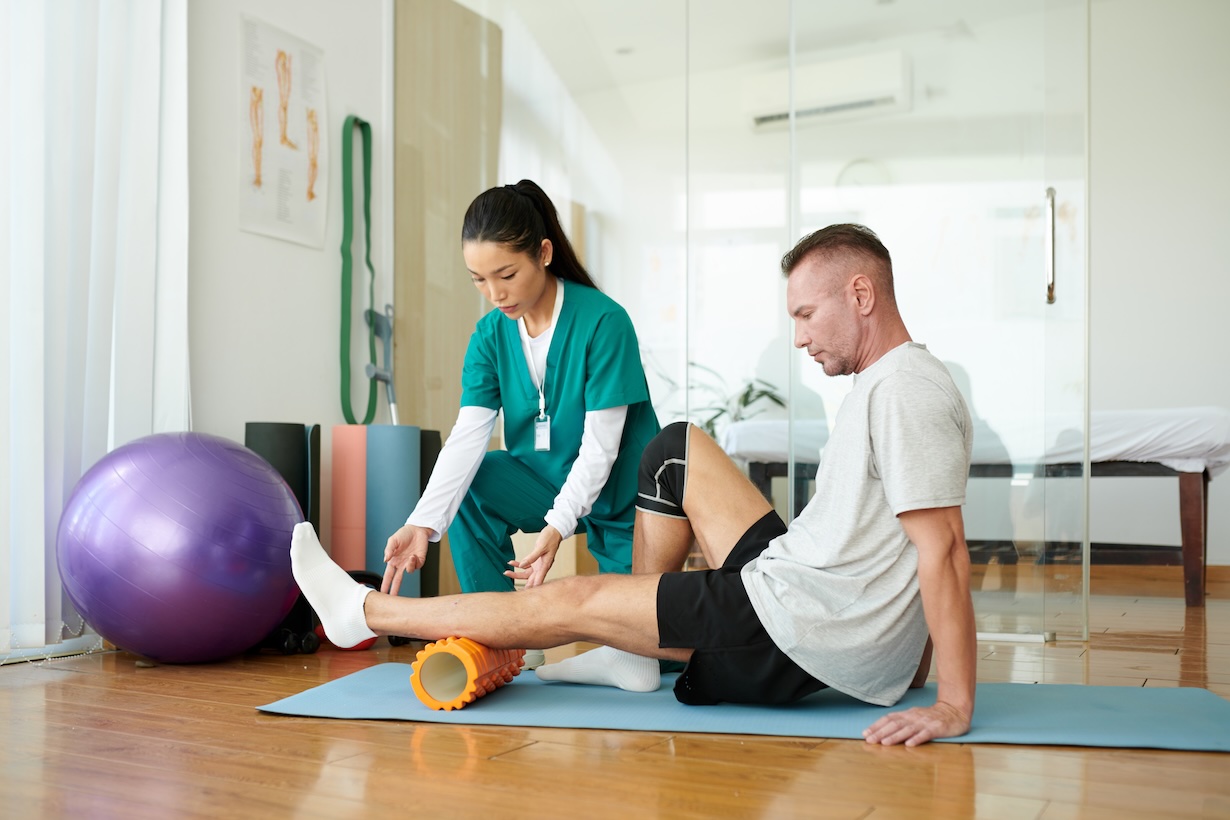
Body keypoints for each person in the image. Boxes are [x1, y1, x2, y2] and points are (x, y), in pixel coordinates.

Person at [294, 223, 978, 746]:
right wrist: (901, 663)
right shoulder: (889, 383)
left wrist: (950, 701)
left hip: (792, 629)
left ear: (861, 294)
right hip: (801, 586)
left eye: (805, 314)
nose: (799, 337)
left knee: (577, 597)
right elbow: (902, 541)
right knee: (674, 447)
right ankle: (638, 659)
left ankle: (366, 612)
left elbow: (942, 549)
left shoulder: (903, 392)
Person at [382, 180, 661, 620]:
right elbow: (468, 435)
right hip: (545, 483)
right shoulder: (490, 336)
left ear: (544, 254)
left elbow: (601, 449)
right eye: (479, 280)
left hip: (624, 496)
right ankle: (504, 633)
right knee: (475, 476)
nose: (495, 294)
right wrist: (423, 522)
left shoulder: (604, 322)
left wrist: (555, 529)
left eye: (506, 275)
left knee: (642, 656)